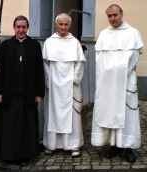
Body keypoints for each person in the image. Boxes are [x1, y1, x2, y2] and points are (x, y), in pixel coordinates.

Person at [91, 4, 144, 163]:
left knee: (126, 116)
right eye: (109, 16)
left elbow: (133, 57)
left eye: (115, 15)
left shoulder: (133, 33)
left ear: (121, 14)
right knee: (110, 112)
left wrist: (119, 74)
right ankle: (115, 145)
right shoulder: (103, 34)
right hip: (107, 83)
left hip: (125, 81)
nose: (112, 18)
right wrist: (108, 76)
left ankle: (127, 148)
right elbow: (99, 59)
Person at [0, 15, 45, 165]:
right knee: (9, 127)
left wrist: (39, 93)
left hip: (28, 94)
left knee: (26, 126)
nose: (21, 30)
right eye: (18, 27)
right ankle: (8, 155)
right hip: (9, 94)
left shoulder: (34, 46)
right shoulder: (6, 45)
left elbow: (40, 70)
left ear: (27, 28)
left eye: (23, 27)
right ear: (14, 28)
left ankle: (24, 156)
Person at [42, 13, 86, 158]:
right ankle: (52, 144)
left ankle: (72, 145)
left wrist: (73, 78)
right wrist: (50, 81)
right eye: (60, 24)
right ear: (56, 25)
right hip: (54, 86)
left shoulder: (75, 43)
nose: (63, 27)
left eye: (66, 24)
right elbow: (45, 64)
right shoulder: (49, 42)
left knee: (72, 115)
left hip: (71, 86)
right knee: (53, 113)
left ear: (70, 25)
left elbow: (80, 62)